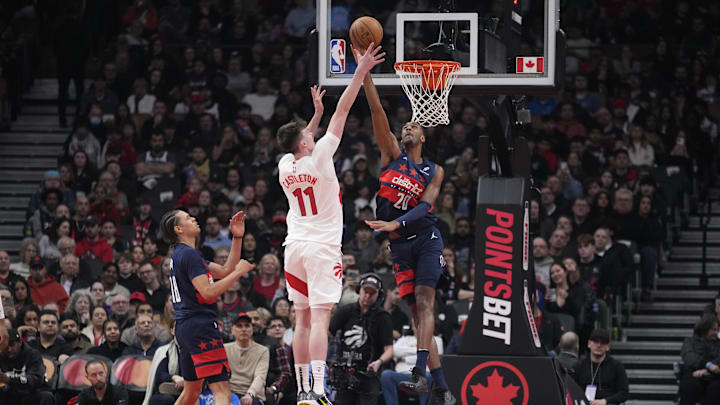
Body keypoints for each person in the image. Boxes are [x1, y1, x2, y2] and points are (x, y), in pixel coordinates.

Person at [276, 44, 385, 405]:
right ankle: (320, 389)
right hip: (322, 248)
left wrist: (313, 115)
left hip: (293, 249)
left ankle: (305, 390)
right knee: (322, 320)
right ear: (307, 144)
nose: (313, 135)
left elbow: (299, 140)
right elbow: (344, 109)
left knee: (301, 321)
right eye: (309, 135)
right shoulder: (321, 156)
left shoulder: (285, 166)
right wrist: (361, 70)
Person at [361, 63, 453, 404]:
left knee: (427, 302)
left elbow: (427, 207)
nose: (407, 128)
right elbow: (376, 110)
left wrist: (395, 224)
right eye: (404, 126)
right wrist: (365, 74)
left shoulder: (434, 170)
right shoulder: (391, 156)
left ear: (424, 137)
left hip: (426, 240)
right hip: (399, 247)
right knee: (415, 314)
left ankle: (418, 373)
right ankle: (440, 385)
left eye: (414, 125)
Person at [159, 208, 253, 405]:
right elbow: (208, 292)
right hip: (200, 327)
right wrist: (239, 274)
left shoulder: (184, 255)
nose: (193, 218)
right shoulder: (189, 255)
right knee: (222, 392)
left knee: (191, 392)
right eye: (187, 218)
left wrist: (236, 238)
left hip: (185, 328)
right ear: (178, 228)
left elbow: (225, 270)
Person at [329, 273, 394, 405]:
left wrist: (379, 362)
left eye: (372, 293)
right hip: (344, 373)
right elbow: (327, 334)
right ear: (359, 290)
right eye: (365, 291)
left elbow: (390, 349)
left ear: (379, 295)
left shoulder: (383, 317)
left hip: (368, 374)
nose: (368, 296)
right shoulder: (345, 311)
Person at [0, 326, 55, 405]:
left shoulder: (33, 355)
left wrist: (9, 380)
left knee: (46, 396)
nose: (9, 349)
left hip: (32, 392)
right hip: (9, 394)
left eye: (12, 344)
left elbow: (35, 379)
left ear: (20, 342)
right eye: (5, 346)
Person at [573, 328, 629, 404]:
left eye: (603, 343)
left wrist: (605, 401)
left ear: (608, 347)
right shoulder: (579, 366)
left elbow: (624, 393)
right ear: (589, 343)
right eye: (596, 341)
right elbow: (571, 390)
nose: (599, 345)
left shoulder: (616, 367)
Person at [224, 312, 269, 405]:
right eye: (239, 326)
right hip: (229, 393)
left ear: (252, 330)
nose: (243, 329)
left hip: (252, 395)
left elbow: (260, 377)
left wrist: (250, 394)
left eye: (247, 326)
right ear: (232, 330)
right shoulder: (225, 349)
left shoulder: (263, 351)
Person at [678, 314, 720, 405]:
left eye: (717, 330)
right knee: (691, 388)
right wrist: (707, 365)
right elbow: (689, 356)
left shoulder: (718, 343)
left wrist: (707, 370)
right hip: (693, 373)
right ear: (704, 329)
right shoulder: (689, 341)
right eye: (713, 330)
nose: (716, 333)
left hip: (714, 375)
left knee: (715, 390)